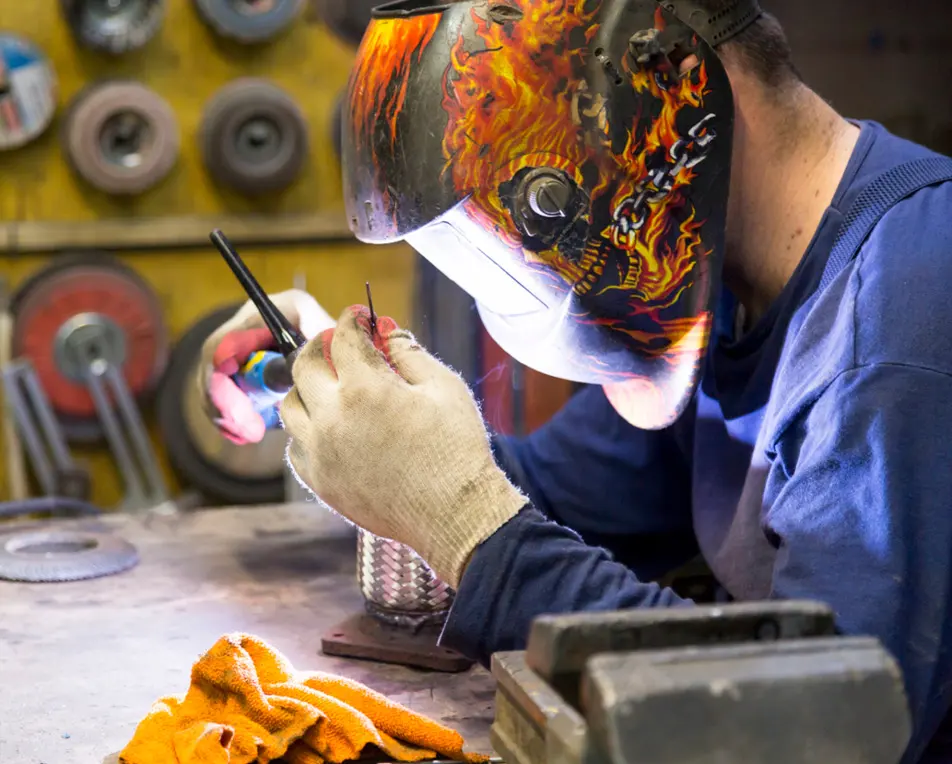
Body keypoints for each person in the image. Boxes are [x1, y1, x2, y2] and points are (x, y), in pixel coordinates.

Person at [200, 1, 952, 760]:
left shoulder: (907, 319)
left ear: (666, 92)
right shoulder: (710, 278)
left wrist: (466, 524)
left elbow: (818, 730)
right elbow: (549, 497)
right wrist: (344, 402)